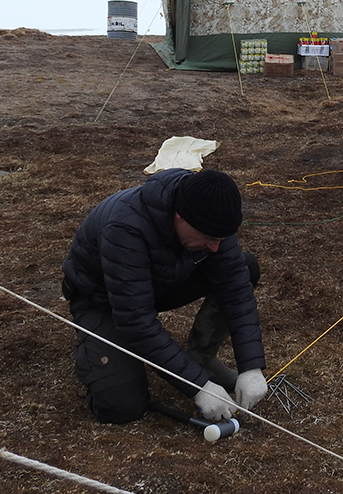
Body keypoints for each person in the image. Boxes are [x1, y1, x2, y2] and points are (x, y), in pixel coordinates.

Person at [61, 168, 268, 424]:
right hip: (102, 301)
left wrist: (251, 366)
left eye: (220, 239)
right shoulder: (125, 228)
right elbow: (136, 320)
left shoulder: (210, 216)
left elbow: (235, 287)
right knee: (121, 406)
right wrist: (198, 386)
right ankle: (95, 347)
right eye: (209, 238)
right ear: (181, 217)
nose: (216, 246)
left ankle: (201, 358)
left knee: (244, 268)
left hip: (157, 284)